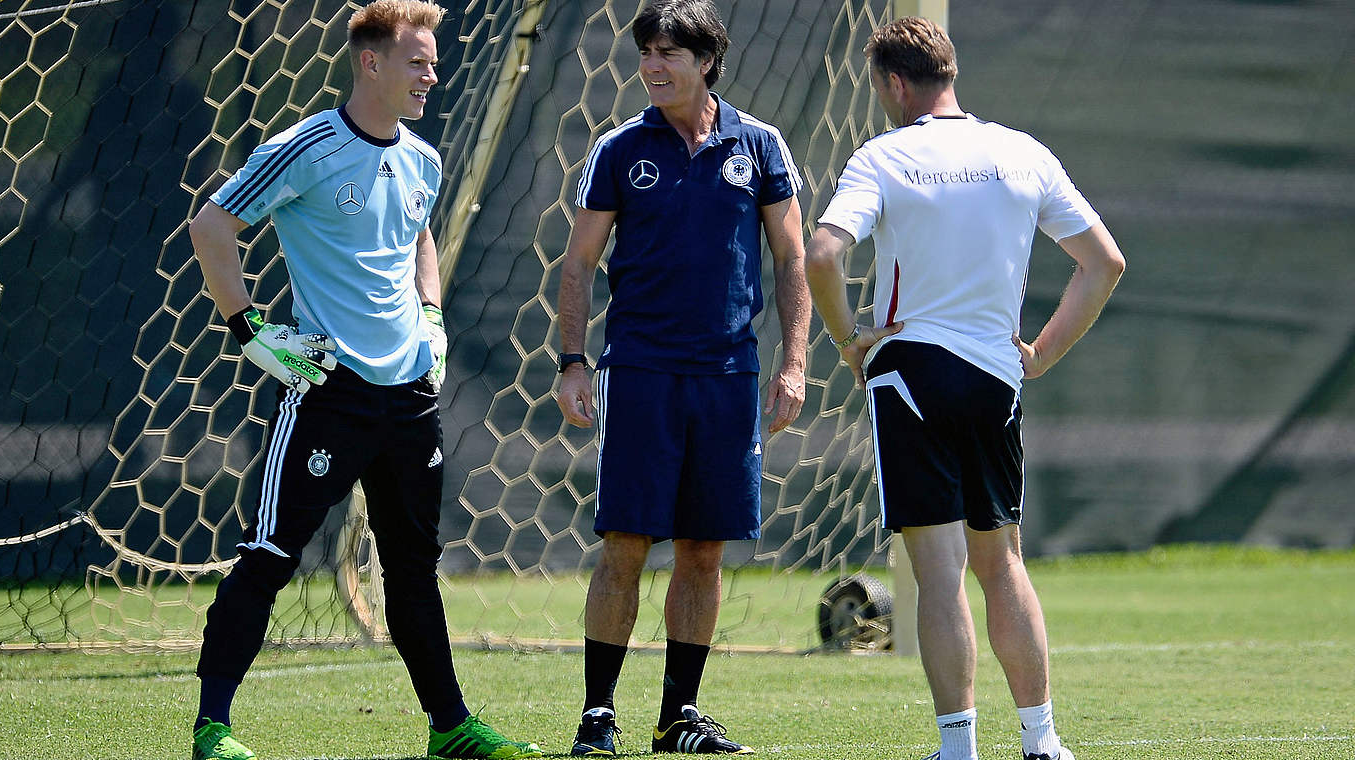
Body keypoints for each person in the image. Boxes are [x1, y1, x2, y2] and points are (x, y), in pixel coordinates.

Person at [186, 2, 542, 759]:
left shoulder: (424, 158)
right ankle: (213, 729)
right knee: (271, 556)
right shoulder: (304, 147)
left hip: (411, 399)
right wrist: (249, 328)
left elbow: (419, 238)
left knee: (414, 569)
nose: (432, 74)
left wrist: (434, 317)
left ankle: (451, 729)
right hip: (328, 393)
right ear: (371, 63)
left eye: (434, 60)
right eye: (417, 60)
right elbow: (212, 227)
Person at [804, 17, 1125, 760]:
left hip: (911, 375)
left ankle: (958, 750)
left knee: (940, 575)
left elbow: (824, 251)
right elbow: (1104, 263)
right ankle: (1042, 742)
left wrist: (848, 339)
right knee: (1003, 563)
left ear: (893, 82)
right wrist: (1039, 355)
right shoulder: (1022, 152)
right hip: (995, 380)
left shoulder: (883, 155)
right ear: (950, 70)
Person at [553, 0, 810, 755]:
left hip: (729, 376)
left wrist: (795, 362)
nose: (654, 66)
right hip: (640, 372)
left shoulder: (759, 145)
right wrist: (574, 361)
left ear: (708, 62)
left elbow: (793, 258)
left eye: (671, 53)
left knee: (704, 549)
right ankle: (598, 713)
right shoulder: (618, 149)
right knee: (626, 543)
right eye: (647, 53)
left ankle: (679, 718)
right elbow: (578, 263)